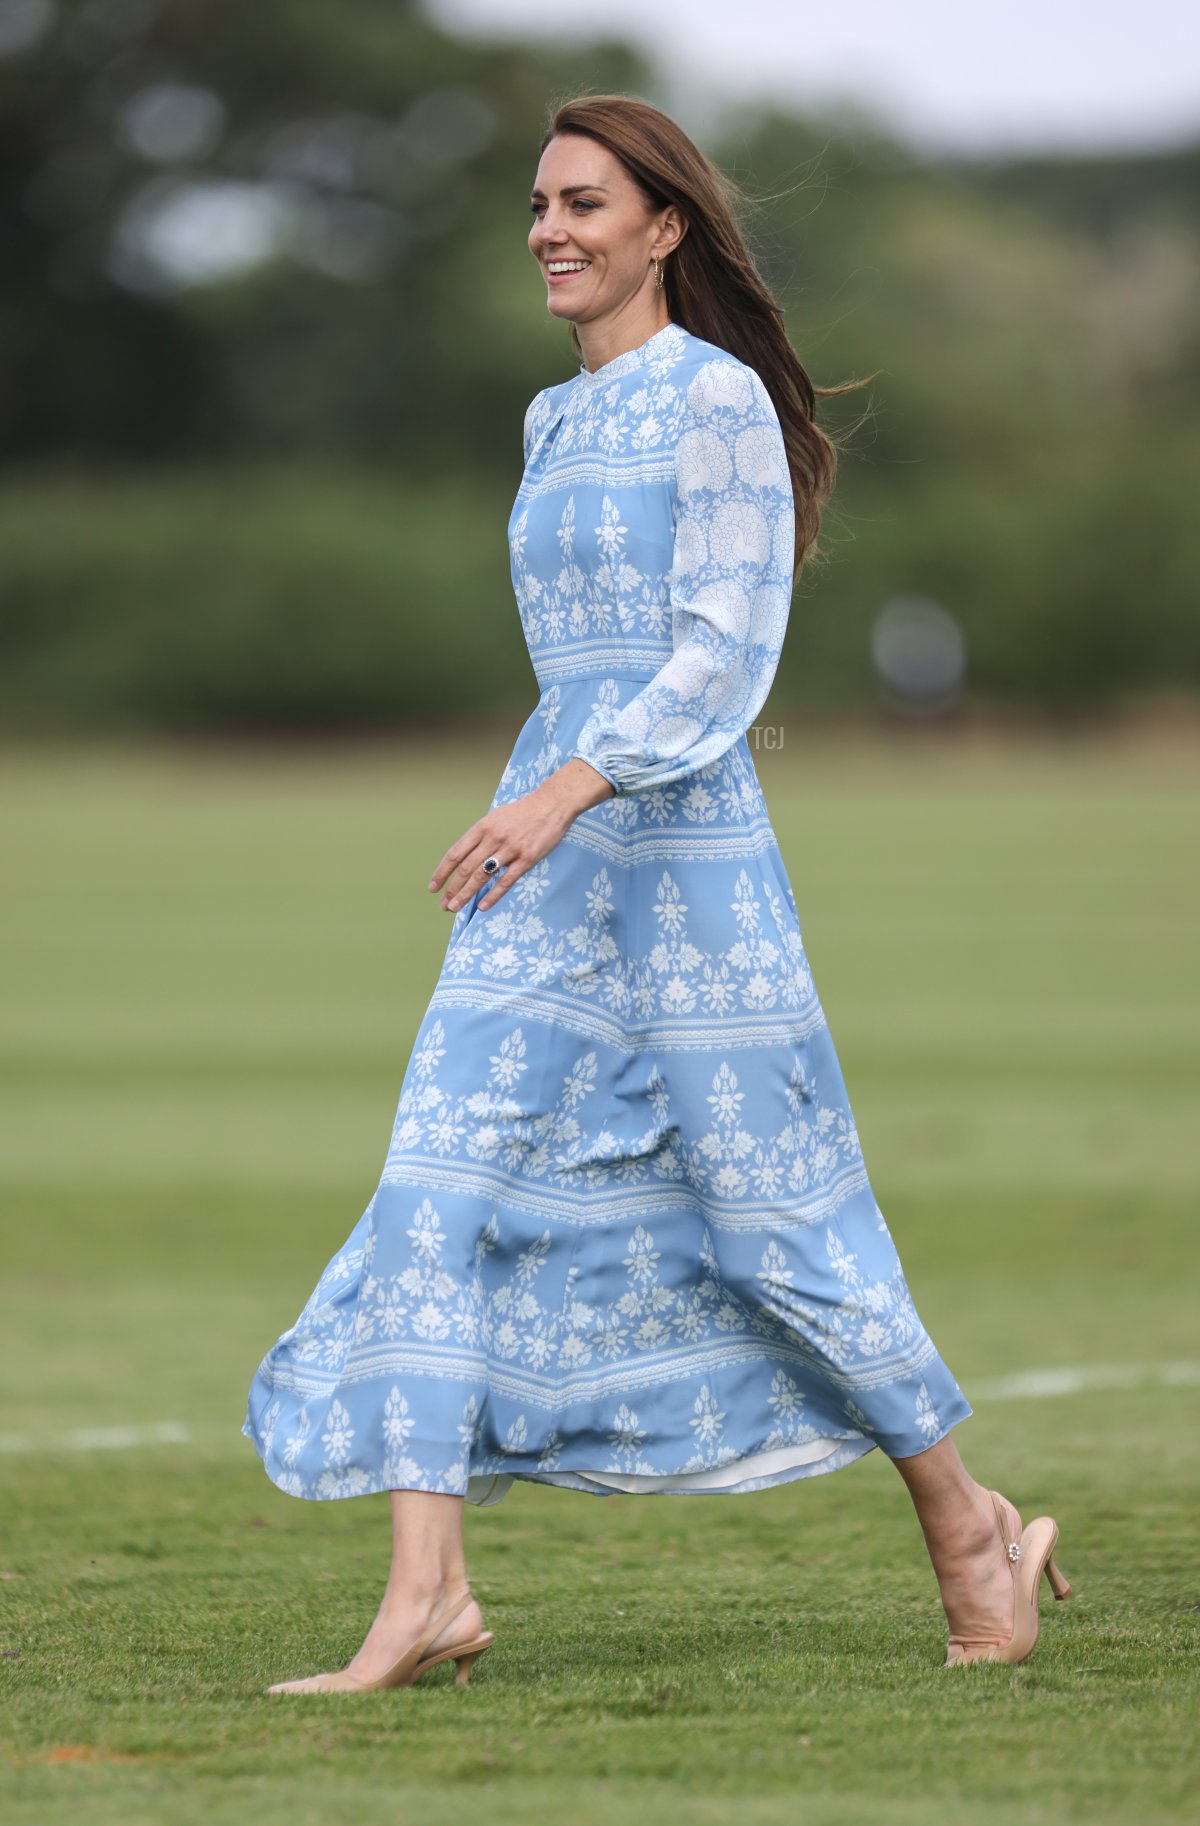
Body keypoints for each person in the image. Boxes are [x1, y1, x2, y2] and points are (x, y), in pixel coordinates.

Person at [242, 93, 1071, 1694]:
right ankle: (429, 1597)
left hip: (684, 868)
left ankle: (971, 1524)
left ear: (664, 227)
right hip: (544, 869)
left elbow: (722, 647)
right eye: (538, 207)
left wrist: (569, 783)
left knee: (779, 1232)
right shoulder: (553, 422)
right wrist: (540, 790)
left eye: (583, 204)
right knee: (436, 1185)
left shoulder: (720, 403)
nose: (550, 230)